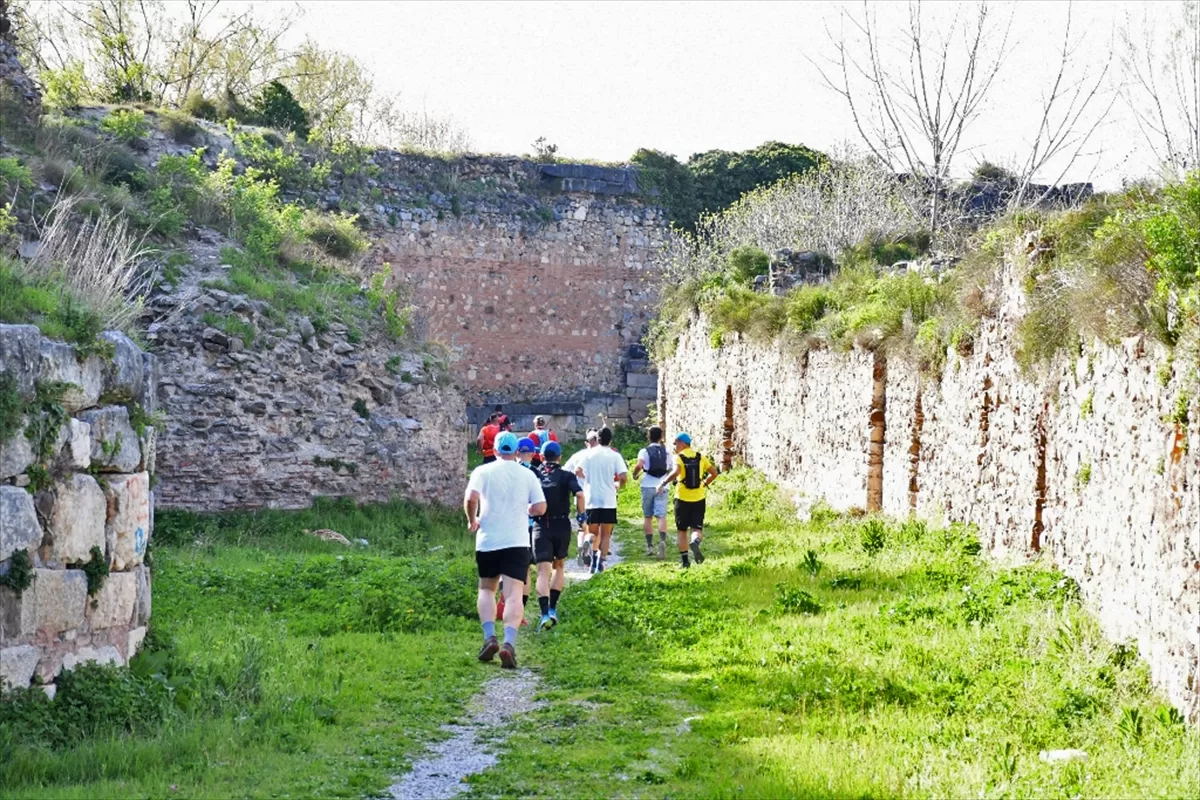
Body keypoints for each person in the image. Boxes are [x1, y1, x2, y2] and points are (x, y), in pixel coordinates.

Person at [464, 431, 546, 668]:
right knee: (513, 593)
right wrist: (527, 509)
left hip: (489, 540)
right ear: (516, 452)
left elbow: (471, 498)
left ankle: (490, 637)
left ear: (497, 450)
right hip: (517, 541)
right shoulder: (527, 474)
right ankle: (509, 643)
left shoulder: (483, 471)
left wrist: (473, 520)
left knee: (487, 589)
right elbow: (540, 507)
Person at [532, 441, 584, 630]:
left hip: (540, 525)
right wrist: (581, 516)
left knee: (542, 571)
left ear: (541, 456)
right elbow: (579, 494)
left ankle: (544, 613)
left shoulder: (535, 474)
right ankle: (553, 609)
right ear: (560, 457)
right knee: (559, 566)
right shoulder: (566, 476)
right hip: (561, 524)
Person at [656, 432, 718, 569]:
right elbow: (714, 473)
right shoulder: (700, 457)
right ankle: (695, 541)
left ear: (682, 443)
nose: (674, 446)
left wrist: (663, 483)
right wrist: (704, 483)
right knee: (696, 528)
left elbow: (676, 472)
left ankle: (685, 561)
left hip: (682, 498)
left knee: (682, 530)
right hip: (699, 498)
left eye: (676, 443)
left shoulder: (679, 457)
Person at [578, 426, 628, 574]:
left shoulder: (589, 454)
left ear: (597, 439)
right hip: (608, 499)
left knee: (593, 532)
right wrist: (619, 485)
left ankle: (588, 542)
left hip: (592, 498)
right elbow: (624, 476)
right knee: (606, 534)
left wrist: (587, 479)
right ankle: (600, 563)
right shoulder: (614, 456)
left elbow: (578, 471)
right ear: (610, 440)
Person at [632, 425, 671, 559]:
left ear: (648, 437)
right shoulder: (667, 451)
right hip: (663, 485)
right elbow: (670, 468)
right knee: (661, 516)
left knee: (648, 516)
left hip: (647, 485)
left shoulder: (644, 451)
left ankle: (649, 546)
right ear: (661, 437)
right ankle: (662, 541)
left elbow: (639, 465)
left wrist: (635, 474)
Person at [565, 429, 599, 565]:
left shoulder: (578, 456)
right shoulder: (603, 456)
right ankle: (590, 548)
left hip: (580, 496)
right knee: (595, 527)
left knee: (582, 526)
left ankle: (581, 546)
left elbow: (565, 470)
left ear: (587, 443)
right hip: (597, 497)